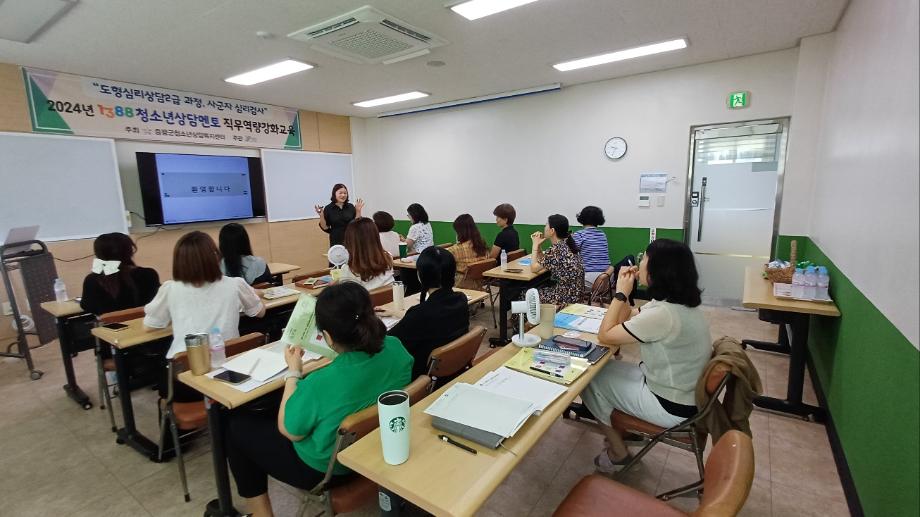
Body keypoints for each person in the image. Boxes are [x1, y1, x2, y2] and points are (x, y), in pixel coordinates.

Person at [227, 282, 413, 517]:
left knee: (237, 427)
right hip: (377, 446)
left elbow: (290, 431)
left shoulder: (321, 382)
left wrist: (293, 372)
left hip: (329, 469)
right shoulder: (397, 348)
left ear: (326, 336)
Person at [580, 239, 712, 474]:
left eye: (644, 259)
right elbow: (629, 316)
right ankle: (623, 430)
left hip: (671, 405)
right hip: (682, 392)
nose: (639, 264)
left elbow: (605, 335)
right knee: (600, 369)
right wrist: (624, 298)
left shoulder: (663, 314)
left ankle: (618, 452)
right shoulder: (674, 304)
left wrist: (620, 293)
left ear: (658, 271)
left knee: (588, 378)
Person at [144, 231, 266, 360]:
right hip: (228, 359)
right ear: (215, 257)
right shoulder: (234, 284)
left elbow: (149, 326)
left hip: (187, 364)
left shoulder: (170, 289)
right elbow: (260, 312)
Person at [388, 246, 470, 380]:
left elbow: (387, 342)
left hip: (422, 377)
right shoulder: (461, 299)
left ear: (420, 276)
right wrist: (398, 313)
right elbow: (427, 321)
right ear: (453, 273)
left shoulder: (420, 314)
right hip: (452, 370)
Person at [80, 232, 160, 315]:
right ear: (130, 251)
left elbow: (87, 307)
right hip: (144, 324)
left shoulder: (92, 280)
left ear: (98, 254)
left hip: (108, 327)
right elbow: (157, 302)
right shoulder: (148, 274)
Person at [530, 214, 585, 305]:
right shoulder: (567, 243)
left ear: (552, 231)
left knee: (526, 294)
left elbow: (534, 268)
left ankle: (525, 319)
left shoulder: (556, 249)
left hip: (564, 299)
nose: (544, 227)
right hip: (575, 296)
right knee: (540, 287)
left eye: (546, 225)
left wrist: (534, 245)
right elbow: (545, 261)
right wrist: (539, 247)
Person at [338, 217, 395, 290]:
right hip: (391, 300)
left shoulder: (349, 270)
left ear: (350, 241)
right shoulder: (388, 258)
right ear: (376, 237)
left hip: (365, 301)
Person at [573, 206, 612, 288]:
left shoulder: (579, 234)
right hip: (608, 277)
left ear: (582, 218)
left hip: (589, 280)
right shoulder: (602, 234)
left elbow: (569, 253)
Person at [446, 213, 490, 278]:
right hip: (479, 283)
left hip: (459, 284)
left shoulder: (454, 250)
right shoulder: (481, 244)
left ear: (460, 232)